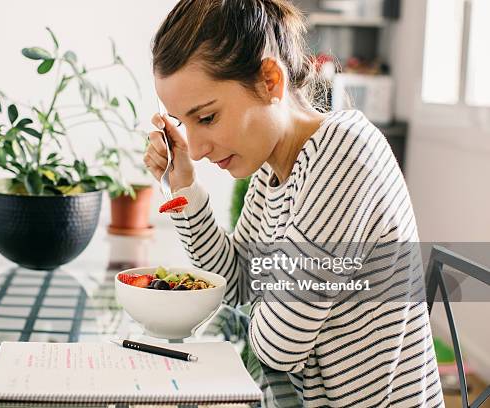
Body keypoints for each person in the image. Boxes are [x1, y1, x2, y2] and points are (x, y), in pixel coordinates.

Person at [144, 0, 444, 406]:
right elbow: (235, 284)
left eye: (208, 117)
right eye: (184, 123)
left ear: (270, 80)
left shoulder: (343, 153)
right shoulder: (272, 175)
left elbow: (278, 344)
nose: (195, 150)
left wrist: (271, 299)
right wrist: (183, 187)